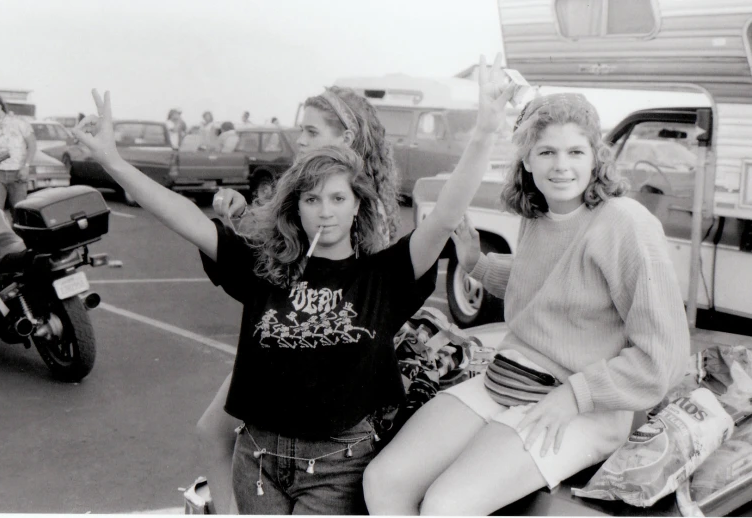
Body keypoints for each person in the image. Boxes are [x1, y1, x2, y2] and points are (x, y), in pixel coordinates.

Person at [72, 53, 514, 515]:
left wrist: (483, 132)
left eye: (338, 198)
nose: (325, 210)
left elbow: (444, 214)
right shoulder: (265, 269)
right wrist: (112, 161)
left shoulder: (382, 276)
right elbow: (182, 215)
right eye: (312, 198)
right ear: (295, 208)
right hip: (258, 461)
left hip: (337, 466)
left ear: (358, 206)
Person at [361, 92, 692, 516]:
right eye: (547, 152)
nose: (561, 165)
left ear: (596, 157)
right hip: (508, 379)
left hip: (584, 404)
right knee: (383, 479)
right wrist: (476, 264)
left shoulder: (625, 223)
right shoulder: (539, 216)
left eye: (576, 151)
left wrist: (573, 397)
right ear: (527, 162)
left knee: (446, 505)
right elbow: (545, 281)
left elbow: (663, 357)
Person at [198, 82, 408, 513]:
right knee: (212, 431)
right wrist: (238, 216)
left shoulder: (361, 206)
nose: (301, 140)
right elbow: (281, 240)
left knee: (213, 430)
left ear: (345, 138)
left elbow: (353, 288)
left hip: (326, 361)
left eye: (311, 131)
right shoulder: (314, 187)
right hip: (289, 341)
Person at [0, 93, 36, 211]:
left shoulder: (19, 122)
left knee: (20, 211)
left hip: (18, 172)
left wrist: (26, 167)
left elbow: (32, 145)